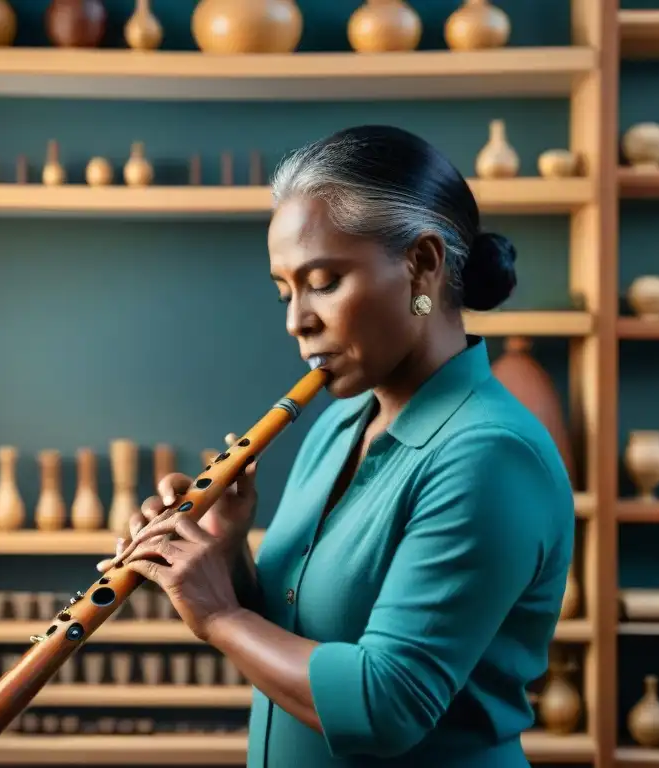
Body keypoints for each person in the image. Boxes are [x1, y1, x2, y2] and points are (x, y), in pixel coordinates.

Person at [98, 125, 576, 767]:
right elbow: (298, 634)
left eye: (323, 281)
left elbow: (387, 705)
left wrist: (217, 617)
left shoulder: (488, 455)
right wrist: (224, 550)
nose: (297, 319)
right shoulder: (338, 424)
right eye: (285, 291)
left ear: (423, 265)